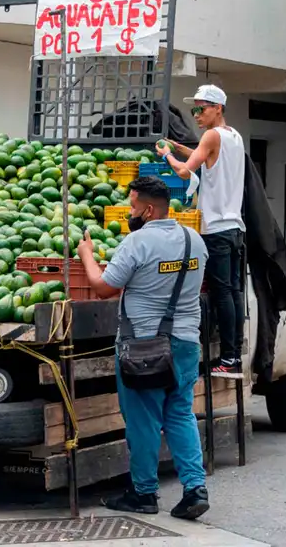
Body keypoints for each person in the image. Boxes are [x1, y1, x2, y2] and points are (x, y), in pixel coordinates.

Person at [77, 176, 210, 520]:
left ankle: (144, 493)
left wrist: (86, 256)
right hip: (185, 343)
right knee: (180, 413)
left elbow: (104, 288)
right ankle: (195, 488)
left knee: (143, 420)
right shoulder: (194, 240)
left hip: (143, 349)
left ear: (148, 210)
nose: (129, 211)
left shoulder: (136, 243)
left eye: (133, 205)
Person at [156, 84, 246, 375]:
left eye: (201, 108)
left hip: (216, 228)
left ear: (217, 108)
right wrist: (180, 148)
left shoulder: (211, 135)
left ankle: (229, 359)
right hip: (234, 227)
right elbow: (205, 156)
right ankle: (235, 355)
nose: (195, 114)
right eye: (194, 108)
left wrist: (166, 157)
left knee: (222, 294)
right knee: (233, 291)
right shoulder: (234, 136)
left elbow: (185, 171)